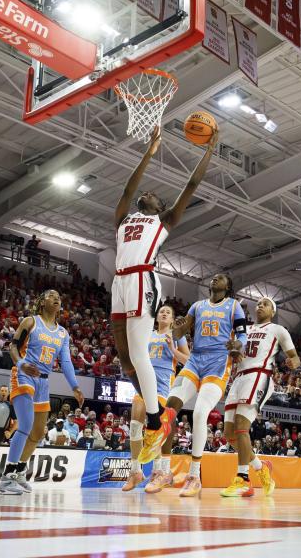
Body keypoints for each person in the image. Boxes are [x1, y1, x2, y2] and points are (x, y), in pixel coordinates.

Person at [111, 127, 219, 465]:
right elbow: (129, 186)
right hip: (119, 283)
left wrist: (210, 152)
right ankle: (154, 413)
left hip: (143, 278)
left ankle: (157, 423)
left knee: (139, 353)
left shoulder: (164, 221)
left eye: (155, 195)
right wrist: (150, 152)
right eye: (147, 193)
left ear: (161, 207)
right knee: (124, 356)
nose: (148, 194)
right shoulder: (124, 219)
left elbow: (191, 186)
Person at [161, 273, 247, 497]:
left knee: (199, 413)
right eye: (213, 277)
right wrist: (177, 328)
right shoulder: (197, 306)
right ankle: (162, 471)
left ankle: (194, 475)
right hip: (194, 360)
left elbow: (242, 336)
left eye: (221, 278)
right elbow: (180, 331)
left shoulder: (234, 306)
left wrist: (237, 345)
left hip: (218, 362)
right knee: (169, 408)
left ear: (228, 286)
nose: (215, 279)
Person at [0, 290, 84, 496]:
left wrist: (75, 386)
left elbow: (65, 361)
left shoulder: (63, 333)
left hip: (43, 383)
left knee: (37, 433)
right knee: (25, 425)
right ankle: (6, 477)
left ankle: (19, 471)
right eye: (51, 295)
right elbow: (12, 346)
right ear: (41, 301)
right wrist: (20, 364)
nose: (56, 298)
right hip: (23, 375)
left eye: (59, 297)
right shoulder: (30, 322)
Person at [220, 297, 300, 498]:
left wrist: (293, 363)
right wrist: (233, 351)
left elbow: (295, 358)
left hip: (259, 375)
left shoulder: (278, 330)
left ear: (272, 311)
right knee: (229, 434)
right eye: (258, 304)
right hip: (238, 377)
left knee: (241, 426)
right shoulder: (244, 329)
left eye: (265, 304)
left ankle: (243, 479)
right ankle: (260, 467)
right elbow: (235, 351)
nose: (260, 306)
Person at [122, 305, 189, 493]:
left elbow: (188, 360)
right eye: (161, 311)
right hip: (145, 380)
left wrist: (171, 348)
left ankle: (158, 472)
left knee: (156, 427)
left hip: (162, 383)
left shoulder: (177, 335)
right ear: (157, 317)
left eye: (168, 311)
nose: (165, 313)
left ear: (173, 317)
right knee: (135, 423)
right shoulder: (148, 333)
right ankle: (135, 471)